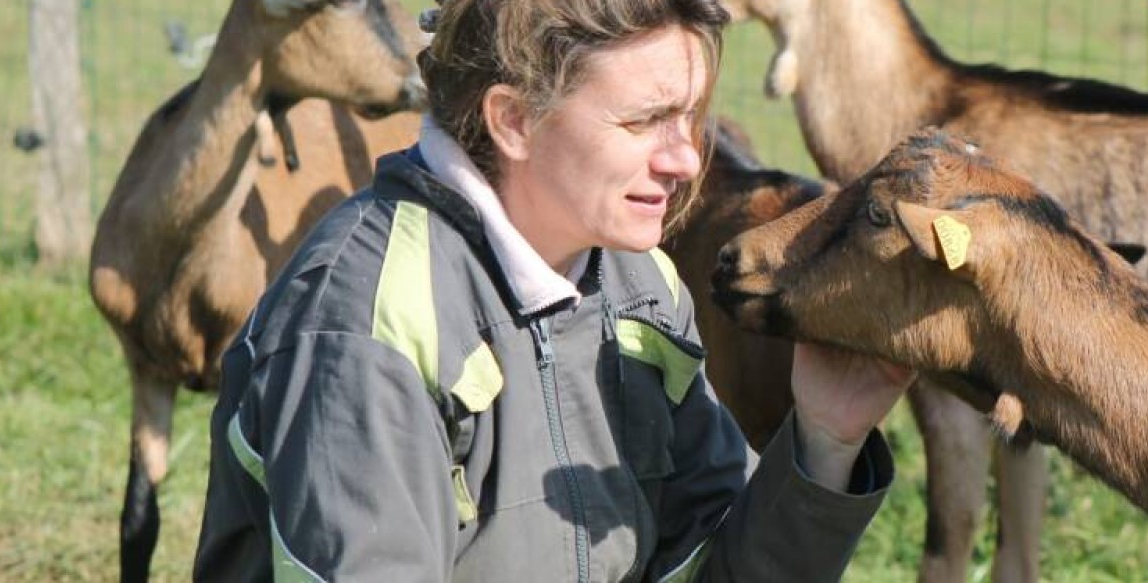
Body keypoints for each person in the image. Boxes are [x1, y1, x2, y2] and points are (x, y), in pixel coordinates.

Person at [192, 0, 917, 580]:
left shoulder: (638, 283)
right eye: (644, 120)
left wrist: (825, 437)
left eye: (691, 118)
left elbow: (714, 565)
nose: (685, 157)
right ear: (512, 119)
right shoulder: (364, 325)